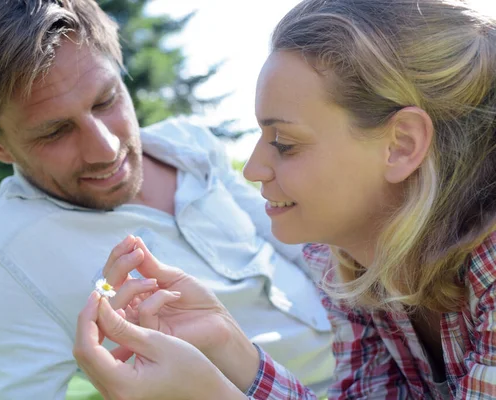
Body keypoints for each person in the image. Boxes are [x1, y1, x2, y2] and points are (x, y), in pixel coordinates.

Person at [73, 0, 496, 399]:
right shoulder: (348, 263)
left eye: (285, 143)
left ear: (401, 145)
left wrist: (210, 393)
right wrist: (226, 341)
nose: (252, 169)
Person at [0, 0, 334, 398]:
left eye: (106, 101)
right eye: (55, 132)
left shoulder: (190, 145)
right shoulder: (2, 263)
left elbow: (307, 249)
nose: (106, 149)